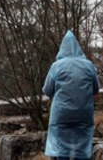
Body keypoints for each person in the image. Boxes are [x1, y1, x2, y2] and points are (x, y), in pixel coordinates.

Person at [42, 30, 99, 160]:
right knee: (83, 146)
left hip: (61, 114)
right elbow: (96, 89)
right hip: (84, 113)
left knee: (61, 147)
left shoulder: (56, 66)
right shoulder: (89, 66)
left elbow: (47, 90)